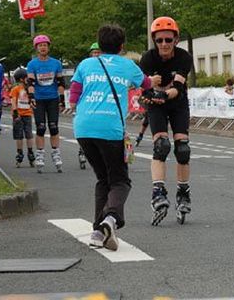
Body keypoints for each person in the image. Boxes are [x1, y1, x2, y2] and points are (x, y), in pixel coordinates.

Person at [70, 24, 156, 251]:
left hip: (83, 127)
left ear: (99, 43)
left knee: (103, 179)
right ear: (122, 46)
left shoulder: (86, 64)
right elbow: (146, 84)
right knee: (120, 180)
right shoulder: (128, 65)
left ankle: (98, 233)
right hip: (110, 128)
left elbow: (74, 94)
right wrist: (154, 82)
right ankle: (111, 219)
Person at [139, 16, 194, 226]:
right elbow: (142, 87)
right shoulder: (148, 59)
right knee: (161, 146)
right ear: (154, 40)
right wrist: (147, 93)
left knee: (182, 149)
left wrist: (162, 94)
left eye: (168, 40)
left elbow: (178, 88)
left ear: (176, 40)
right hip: (155, 105)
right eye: (159, 40)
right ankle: (158, 191)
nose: (164, 44)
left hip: (177, 102)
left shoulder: (183, 57)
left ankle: (183, 191)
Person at [26, 34, 65, 173]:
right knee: (41, 127)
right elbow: (30, 82)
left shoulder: (56, 63)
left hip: (52, 98)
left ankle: (56, 153)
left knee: (54, 127)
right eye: (40, 45)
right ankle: (40, 155)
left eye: (45, 45)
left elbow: (60, 82)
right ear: (36, 48)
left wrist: (62, 100)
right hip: (39, 99)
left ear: (48, 47)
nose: (43, 47)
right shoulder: (32, 64)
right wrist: (31, 97)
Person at [77, 42, 103, 170]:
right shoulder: (85, 66)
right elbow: (77, 84)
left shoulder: (106, 67)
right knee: (87, 131)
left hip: (101, 104)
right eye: (94, 52)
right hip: (87, 104)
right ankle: (83, 152)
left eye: (98, 52)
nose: (96, 55)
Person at [10, 68, 35, 167]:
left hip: (28, 114)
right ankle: (20, 153)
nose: (28, 80)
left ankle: (30, 152)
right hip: (19, 115)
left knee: (29, 135)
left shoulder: (29, 89)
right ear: (21, 79)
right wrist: (15, 112)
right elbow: (13, 100)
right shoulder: (16, 89)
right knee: (19, 136)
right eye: (26, 78)